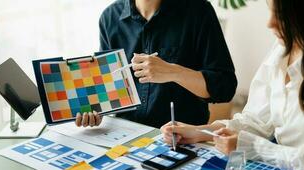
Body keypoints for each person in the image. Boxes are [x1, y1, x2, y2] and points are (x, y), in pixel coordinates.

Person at [161, 0, 304, 170]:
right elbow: (256, 120)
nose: (270, 23)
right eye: (271, 12)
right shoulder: (281, 49)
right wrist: (200, 132)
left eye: (281, 16)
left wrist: (254, 147)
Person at [75, 0, 237, 128]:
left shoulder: (199, 12)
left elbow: (225, 87)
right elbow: (109, 87)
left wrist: (173, 72)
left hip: (182, 134)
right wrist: (97, 110)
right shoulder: (109, 17)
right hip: (125, 132)